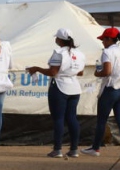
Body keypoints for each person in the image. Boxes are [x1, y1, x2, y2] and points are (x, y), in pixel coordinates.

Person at [26, 28, 86, 158]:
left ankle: (57, 149)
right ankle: (74, 150)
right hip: (74, 88)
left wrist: (36, 68)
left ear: (59, 39)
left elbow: (53, 72)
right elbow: (80, 72)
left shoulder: (58, 53)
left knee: (58, 118)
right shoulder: (80, 54)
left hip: (59, 87)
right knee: (72, 118)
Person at [82, 27, 120, 158]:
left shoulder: (107, 52)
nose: (102, 42)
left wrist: (97, 73)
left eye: (103, 39)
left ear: (109, 39)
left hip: (110, 90)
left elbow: (107, 72)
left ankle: (95, 148)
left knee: (101, 120)